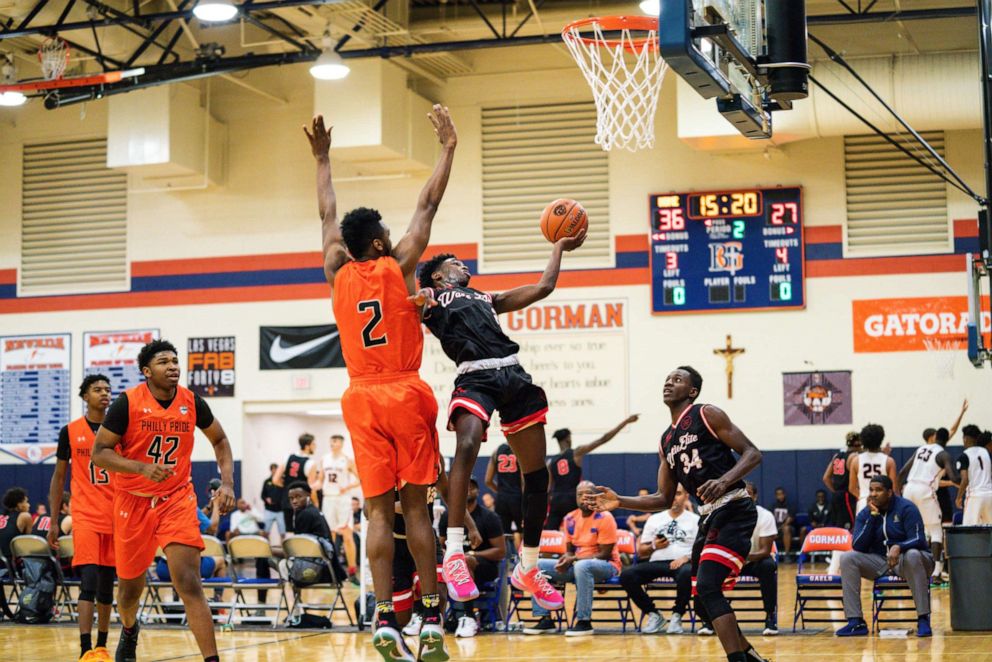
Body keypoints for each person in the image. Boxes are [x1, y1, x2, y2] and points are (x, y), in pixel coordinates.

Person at [304, 107, 457, 662]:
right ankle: (433, 615)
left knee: (376, 513)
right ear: (376, 245)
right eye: (386, 236)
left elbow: (327, 213)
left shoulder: (334, 269)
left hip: (360, 396)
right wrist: (447, 149)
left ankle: (386, 619)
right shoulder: (399, 265)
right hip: (403, 389)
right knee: (416, 510)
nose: (395, 238)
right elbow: (428, 204)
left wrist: (322, 158)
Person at [412, 232, 587, 610]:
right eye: (454, 263)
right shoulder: (432, 297)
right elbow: (409, 298)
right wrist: (418, 297)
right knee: (468, 444)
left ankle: (528, 566)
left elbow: (544, 287)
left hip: (514, 375)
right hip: (475, 376)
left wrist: (558, 247)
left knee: (538, 475)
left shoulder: (487, 298)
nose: (464, 265)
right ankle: (455, 554)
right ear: (439, 277)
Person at [587, 366, 768, 662]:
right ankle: (751, 657)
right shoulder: (665, 441)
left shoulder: (707, 414)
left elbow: (752, 453)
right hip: (709, 516)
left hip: (734, 507)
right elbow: (663, 498)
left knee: (709, 588)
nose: (669, 382)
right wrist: (619, 500)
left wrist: (724, 479)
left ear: (692, 391)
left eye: (678, 379)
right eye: (667, 378)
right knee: (702, 603)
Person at [92, 339, 236, 662]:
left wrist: (227, 482)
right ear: (146, 371)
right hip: (133, 500)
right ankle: (129, 629)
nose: (172, 366)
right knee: (129, 591)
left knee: (188, 580)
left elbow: (221, 439)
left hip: (176, 498)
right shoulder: (127, 404)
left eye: (174, 360)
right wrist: (141, 468)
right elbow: (99, 453)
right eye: (163, 362)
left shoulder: (192, 402)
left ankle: (212, 659)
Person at [836, 475, 934, 638]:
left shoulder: (906, 508)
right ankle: (856, 622)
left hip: (910, 560)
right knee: (848, 558)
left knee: (912, 554)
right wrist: (872, 517)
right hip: (882, 561)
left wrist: (899, 546)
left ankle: (923, 618)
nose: (873, 494)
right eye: (871, 490)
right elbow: (858, 545)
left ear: (889, 492)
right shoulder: (866, 514)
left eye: (878, 490)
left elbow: (919, 539)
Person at [524, 481, 620, 636]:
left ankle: (584, 622)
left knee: (582, 566)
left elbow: (605, 554)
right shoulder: (570, 518)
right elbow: (569, 551)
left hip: (607, 565)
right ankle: (545, 620)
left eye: (588, 494)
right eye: (580, 494)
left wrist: (574, 559)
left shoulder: (605, 517)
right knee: (537, 565)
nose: (583, 498)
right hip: (578, 565)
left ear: (595, 496)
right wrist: (565, 560)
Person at [618, 484, 698, 634]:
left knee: (687, 573)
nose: (674, 498)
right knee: (627, 575)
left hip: (683, 563)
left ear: (686, 497)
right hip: (657, 562)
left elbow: (702, 549)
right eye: (671, 494)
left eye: (678, 494)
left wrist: (686, 557)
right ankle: (654, 614)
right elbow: (641, 551)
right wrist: (654, 545)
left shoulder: (695, 520)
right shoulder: (655, 519)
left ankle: (677, 615)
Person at [546, 415, 640, 531]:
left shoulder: (551, 462)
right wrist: (625, 422)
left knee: (550, 532)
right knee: (580, 529)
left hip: (556, 499)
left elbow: (548, 487)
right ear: (568, 439)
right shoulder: (576, 452)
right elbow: (603, 439)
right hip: (573, 498)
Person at [439, 478, 505, 638]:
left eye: (472, 487)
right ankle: (430, 616)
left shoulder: (489, 517)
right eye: (465, 486)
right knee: (433, 563)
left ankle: (468, 617)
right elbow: (441, 545)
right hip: (455, 565)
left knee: (465, 561)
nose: (468, 489)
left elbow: (500, 551)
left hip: (484, 567)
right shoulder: (448, 515)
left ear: (478, 491)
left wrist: (473, 554)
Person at [899, 426, 959, 581]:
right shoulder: (943, 454)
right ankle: (937, 572)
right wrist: (966, 484)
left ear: (935, 436)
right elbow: (954, 478)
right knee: (936, 531)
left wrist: (897, 493)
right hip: (925, 490)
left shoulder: (921, 449)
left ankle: (902, 568)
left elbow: (902, 472)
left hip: (908, 488)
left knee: (907, 530)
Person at [286, 483, 347, 582]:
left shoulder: (305, 514)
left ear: (308, 496)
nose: (294, 501)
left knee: (266, 557)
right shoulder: (313, 510)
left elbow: (299, 549)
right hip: (331, 568)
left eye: (298, 497)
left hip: (318, 570)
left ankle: (261, 597)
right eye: (291, 498)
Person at [319, 434, 361, 579]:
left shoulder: (348, 460)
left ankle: (352, 571)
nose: (332, 443)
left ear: (341, 444)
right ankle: (330, 570)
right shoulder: (324, 459)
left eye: (335, 441)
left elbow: (359, 480)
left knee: (347, 535)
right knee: (329, 536)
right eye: (331, 441)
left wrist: (347, 487)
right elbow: (320, 481)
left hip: (342, 499)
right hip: (328, 499)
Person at [743, 482, 779, 636]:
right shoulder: (726, 515)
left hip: (754, 560)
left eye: (748, 493)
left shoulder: (765, 516)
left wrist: (743, 557)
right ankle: (708, 620)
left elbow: (765, 551)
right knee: (707, 566)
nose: (744, 497)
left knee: (768, 566)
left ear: (755, 496)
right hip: (730, 561)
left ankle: (770, 616)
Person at [849, 423, 898, 514]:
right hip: (883, 503)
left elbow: (852, 488)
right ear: (881, 439)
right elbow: (894, 489)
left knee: (863, 528)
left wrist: (864, 496)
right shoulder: (889, 461)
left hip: (864, 502)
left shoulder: (856, 460)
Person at [275, 434, 319, 533]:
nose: (315, 446)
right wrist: (316, 503)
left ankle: (288, 548)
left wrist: (287, 487)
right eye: (313, 444)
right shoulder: (311, 463)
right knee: (302, 530)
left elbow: (275, 480)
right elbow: (311, 487)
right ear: (307, 446)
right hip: (302, 501)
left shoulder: (288, 457)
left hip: (288, 499)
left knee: (289, 530)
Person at [484, 442, 522, 546]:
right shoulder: (521, 448)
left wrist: (500, 491)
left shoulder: (497, 451)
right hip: (518, 497)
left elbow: (488, 480)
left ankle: (505, 560)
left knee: (503, 533)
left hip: (502, 498)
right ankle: (524, 560)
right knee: (524, 532)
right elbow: (524, 482)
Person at [822, 431, 861, 530]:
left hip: (837, 495)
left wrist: (835, 491)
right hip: (848, 495)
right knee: (850, 525)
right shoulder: (853, 457)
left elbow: (826, 478)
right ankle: (850, 545)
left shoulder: (837, 456)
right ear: (857, 444)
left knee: (838, 525)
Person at [957, 424, 992, 524]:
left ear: (965, 438)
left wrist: (958, 497)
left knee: (969, 530)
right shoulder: (987, 452)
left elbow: (965, 480)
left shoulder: (964, 456)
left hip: (975, 497)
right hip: (989, 495)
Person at [0, 488, 32, 564]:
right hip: (9, 564)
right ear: (19, 504)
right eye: (26, 502)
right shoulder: (25, 516)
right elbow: (29, 542)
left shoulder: (1, 516)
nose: (29, 505)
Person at [260, 463, 285, 539]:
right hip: (269, 510)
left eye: (276, 469)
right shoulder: (267, 482)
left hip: (280, 510)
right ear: (271, 470)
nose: (274, 471)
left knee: (283, 532)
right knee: (265, 532)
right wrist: (266, 499)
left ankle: (284, 548)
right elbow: (262, 495)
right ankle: (265, 548)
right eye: (272, 469)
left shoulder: (282, 481)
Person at [769, 487, 795, 557]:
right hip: (775, 529)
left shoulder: (790, 505)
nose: (780, 496)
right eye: (778, 494)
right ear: (776, 496)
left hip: (788, 529)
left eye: (781, 494)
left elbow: (790, 519)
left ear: (785, 495)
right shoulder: (772, 506)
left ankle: (787, 555)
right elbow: (770, 520)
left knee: (786, 528)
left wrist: (778, 529)